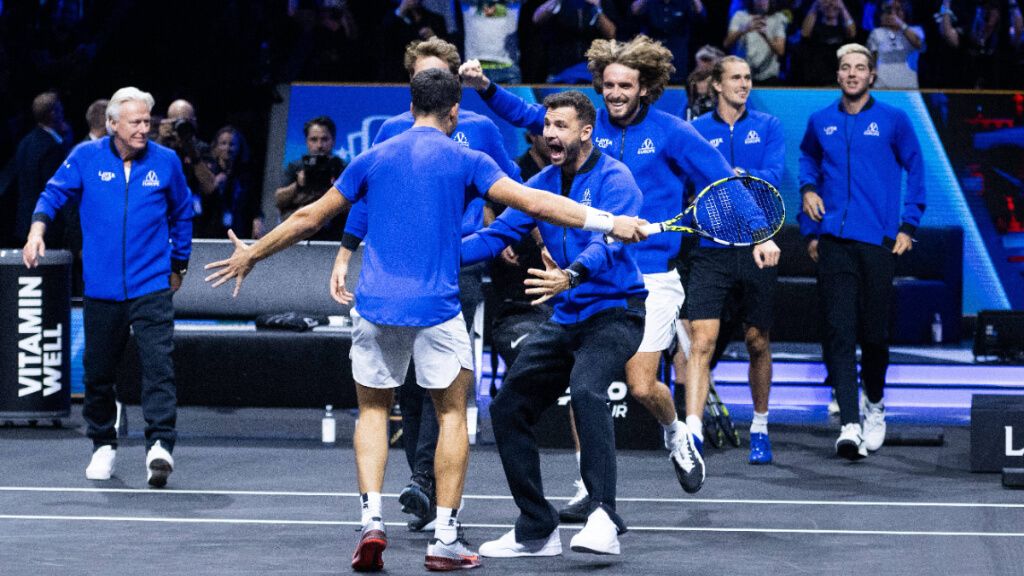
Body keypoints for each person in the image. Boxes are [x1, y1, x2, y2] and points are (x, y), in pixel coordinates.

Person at [203, 68, 644, 572]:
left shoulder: (373, 155)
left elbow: (308, 218)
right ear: (454, 112)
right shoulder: (466, 157)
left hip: (375, 307)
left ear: (410, 107)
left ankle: (371, 521)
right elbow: (534, 202)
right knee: (452, 414)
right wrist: (611, 222)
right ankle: (446, 538)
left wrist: (252, 254)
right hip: (435, 309)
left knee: (372, 412)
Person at [461, 34, 780, 499]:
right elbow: (531, 117)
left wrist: (759, 232)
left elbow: (722, 181)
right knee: (582, 381)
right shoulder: (588, 128)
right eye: (608, 85)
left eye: (625, 86)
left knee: (641, 384)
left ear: (645, 87)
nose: (614, 94)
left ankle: (675, 433)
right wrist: (486, 87)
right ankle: (584, 483)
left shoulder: (674, 132)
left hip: (651, 275)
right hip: (594, 278)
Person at [337, 36, 523, 533]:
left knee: (443, 393)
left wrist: (509, 230)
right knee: (419, 396)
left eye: (444, 72)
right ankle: (435, 509)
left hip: (455, 265)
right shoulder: (391, 133)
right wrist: (344, 252)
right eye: (427, 74)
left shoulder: (479, 130)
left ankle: (418, 486)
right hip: (401, 270)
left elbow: (517, 188)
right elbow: (360, 199)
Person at [465, 90, 647, 558]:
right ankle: (536, 528)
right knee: (508, 407)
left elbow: (610, 243)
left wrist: (571, 275)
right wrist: (436, 254)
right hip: (565, 319)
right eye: (547, 125)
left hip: (616, 312)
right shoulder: (540, 182)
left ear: (586, 131)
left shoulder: (616, 178)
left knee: (587, 389)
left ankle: (603, 515)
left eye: (560, 125)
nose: (549, 133)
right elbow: (494, 236)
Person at [23, 86, 193, 488]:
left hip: (151, 283)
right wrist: (36, 230)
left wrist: (179, 264)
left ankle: (160, 446)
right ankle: (103, 443)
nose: (143, 128)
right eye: (134, 122)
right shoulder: (85, 157)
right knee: (98, 372)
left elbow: (182, 212)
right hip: (101, 288)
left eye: (147, 121)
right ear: (112, 124)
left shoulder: (166, 162)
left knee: (158, 366)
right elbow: (52, 194)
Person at [798, 43, 925, 460]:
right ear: (838, 76)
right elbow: (807, 161)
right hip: (834, 240)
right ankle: (849, 423)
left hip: (878, 241)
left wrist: (908, 224)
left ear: (872, 76)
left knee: (873, 336)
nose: (853, 74)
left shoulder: (894, 120)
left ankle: (875, 403)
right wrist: (809, 195)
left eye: (860, 68)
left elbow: (916, 168)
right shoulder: (820, 122)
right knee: (838, 331)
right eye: (846, 68)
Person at [688, 55, 785, 465]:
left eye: (748, 78)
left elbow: (774, 179)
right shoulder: (695, 130)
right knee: (702, 342)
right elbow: (688, 180)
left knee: (756, 341)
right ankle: (691, 433)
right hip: (710, 250)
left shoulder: (768, 127)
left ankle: (760, 427)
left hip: (756, 245)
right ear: (716, 85)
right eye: (735, 78)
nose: (744, 84)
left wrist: (736, 178)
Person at [274, 115, 347, 240]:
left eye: (324, 139)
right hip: (299, 237)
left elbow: (356, 207)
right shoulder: (296, 167)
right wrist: (297, 185)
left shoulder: (342, 168)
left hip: (333, 238)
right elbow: (278, 200)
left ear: (333, 141)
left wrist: (338, 189)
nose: (319, 145)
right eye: (314, 139)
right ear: (307, 141)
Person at [13, 92, 70, 247]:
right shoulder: (52, 147)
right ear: (52, 114)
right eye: (60, 110)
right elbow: (53, 188)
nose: (63, 114)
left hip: (23, 221)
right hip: (45, 225)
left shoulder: (25, 141)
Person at [196, 126, 263, 239]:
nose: (227, 148)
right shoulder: (207, 171)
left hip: (237, 231)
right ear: (216, 147)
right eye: (223, 143)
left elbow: (254, 206)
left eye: (232, 144)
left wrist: (258, 221)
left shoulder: (244, 176)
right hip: (208, 230)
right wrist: (215, 183)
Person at [532, 0, 618, 83]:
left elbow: (611, 33)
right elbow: (536, 19)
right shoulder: (559, 3)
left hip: (590, 70)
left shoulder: (602, 3)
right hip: (559, 70)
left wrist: (598, 9)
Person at [630, 0, 707, 82]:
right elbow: (634, 11)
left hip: (678, 56)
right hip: (653, 55)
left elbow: (701, 15)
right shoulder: (649, 3)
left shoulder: (685, 3)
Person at [723, 0, 789, 84]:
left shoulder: (778, 18)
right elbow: (726, 43)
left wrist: (765, 35)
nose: (762, 2)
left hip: (768, 76)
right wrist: (744, 29)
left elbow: (781, 50)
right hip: (742, 75)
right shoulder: (739, 16)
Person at [796, 0, 858, 85]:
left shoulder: (843, 30)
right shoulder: (815, 28)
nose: (830, 6)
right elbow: (805, 33)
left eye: (833, 2)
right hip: (816, 79)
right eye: (826, 2)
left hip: (838, 79)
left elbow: (852, 33)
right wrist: (816, 5)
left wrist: (842, 7)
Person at [866, 0, 924, 88]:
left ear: (905, 11)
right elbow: (871, 61)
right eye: (889, 11)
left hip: (908, 86)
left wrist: (901, 24)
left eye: (897, 10)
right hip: (882, 85)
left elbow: (918, 44)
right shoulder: (876, 33)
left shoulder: (915, 30)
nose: (893, 15)